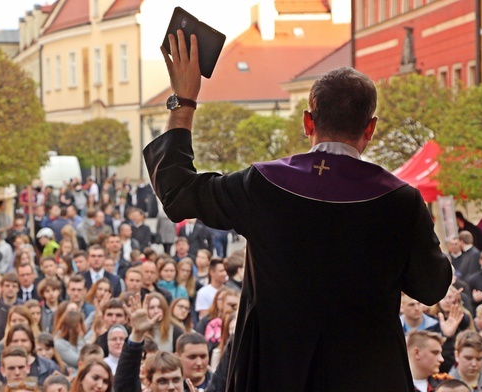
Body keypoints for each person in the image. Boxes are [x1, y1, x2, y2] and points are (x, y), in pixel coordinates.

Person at [146, 36, 452, 390]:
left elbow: (177, 192)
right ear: (370, 128)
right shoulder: (400, 201)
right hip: (365, 377)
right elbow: (432, 286)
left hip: (273, 375)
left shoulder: (262, 185)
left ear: (307, 122)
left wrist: (183, 99)